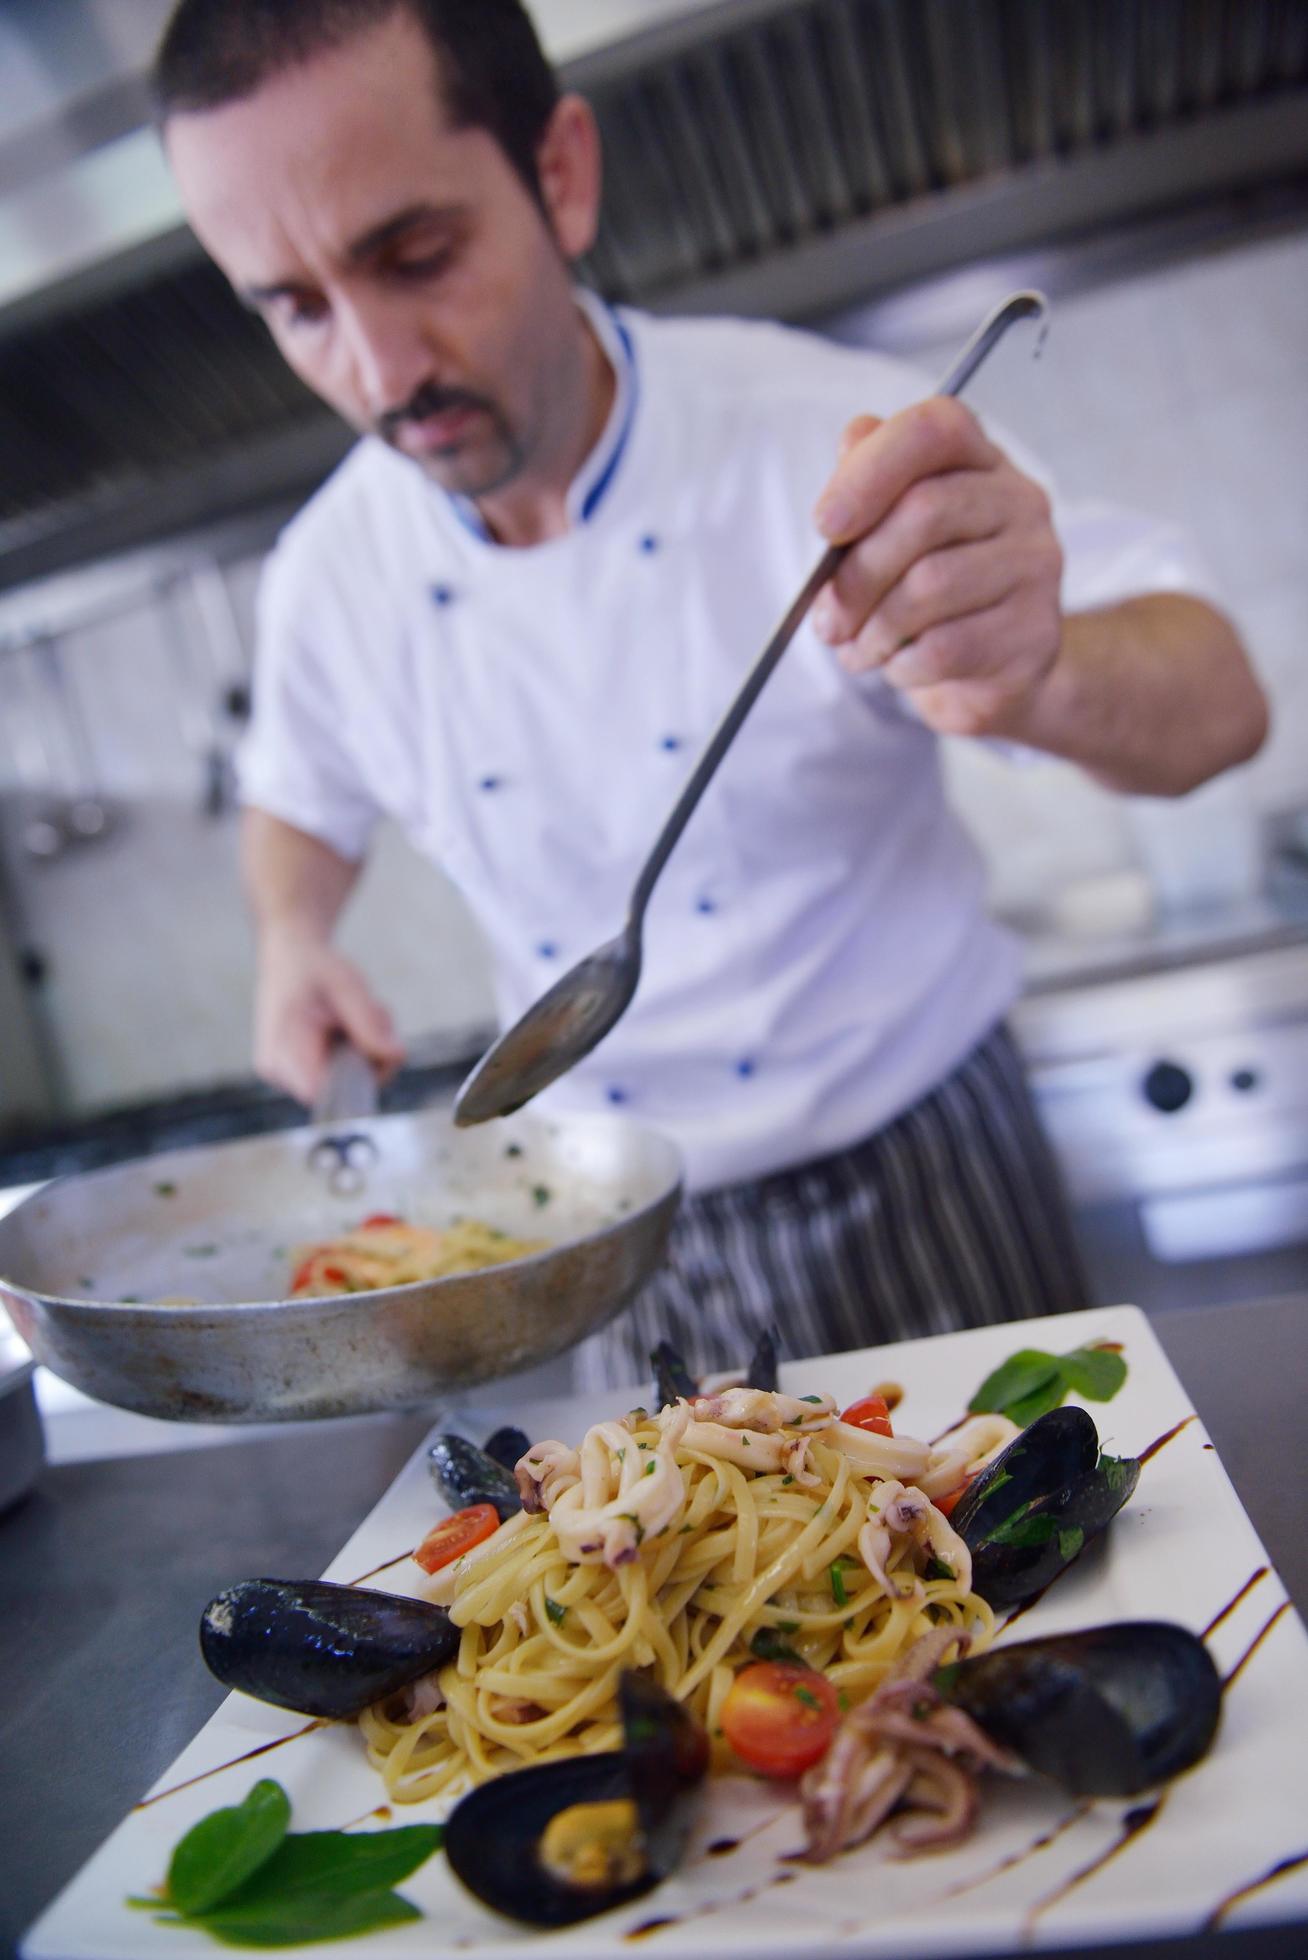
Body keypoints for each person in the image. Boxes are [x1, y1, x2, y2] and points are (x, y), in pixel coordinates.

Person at [153, 0, 1267, 1385]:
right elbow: (296, 798)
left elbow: (1223, 706)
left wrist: (1037, 664)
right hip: (606, 1235)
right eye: (298, 308)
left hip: (931, 1177)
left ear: (559, 174)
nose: (379, 374)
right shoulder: (329, 574)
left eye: (418, 255)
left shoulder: (814, 436)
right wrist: (291, 933)